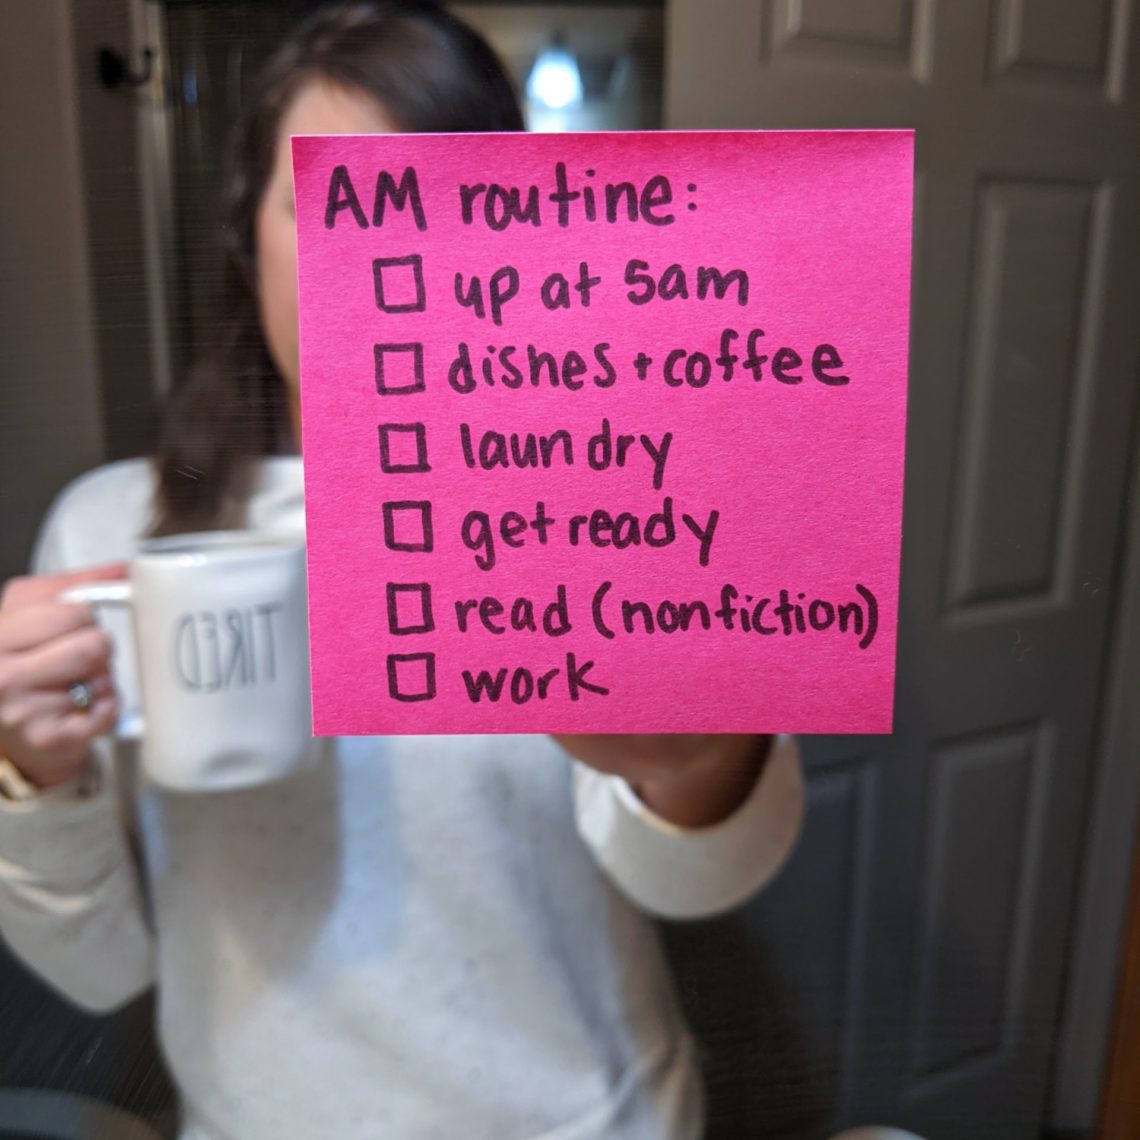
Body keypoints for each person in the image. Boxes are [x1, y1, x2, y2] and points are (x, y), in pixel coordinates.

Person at [0, 4, 804, 1137]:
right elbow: (96, 968)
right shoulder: (111, 532)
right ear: (249, 233)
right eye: (328, 203)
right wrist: (29, 782)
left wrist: (696, 755)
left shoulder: (605, 488)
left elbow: (703, 881)